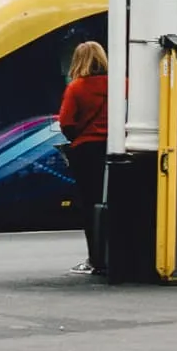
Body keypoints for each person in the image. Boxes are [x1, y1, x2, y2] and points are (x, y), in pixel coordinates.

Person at [58, 40, 109, 276]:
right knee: (117, 204)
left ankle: (95, 258)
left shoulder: (77, 88)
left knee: (91, 205)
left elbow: (66, 123)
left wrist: (79, 135)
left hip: (87, 152)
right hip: (118, 150)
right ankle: (117, 254)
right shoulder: (123, 85)